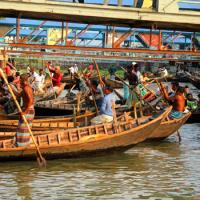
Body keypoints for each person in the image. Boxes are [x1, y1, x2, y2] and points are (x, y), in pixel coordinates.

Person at [15, 74, 35, 147]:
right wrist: (9, 87)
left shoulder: (27, 88)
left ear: (24, 80)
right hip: (27, 110)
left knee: (23, 128)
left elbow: (31, 100)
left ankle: (22, 145)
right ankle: (22, 144)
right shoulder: (25, 88)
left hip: (28, 110)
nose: (20, 81)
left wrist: (25, 112)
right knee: (22, 128)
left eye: (21, 80)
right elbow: (18, 95)